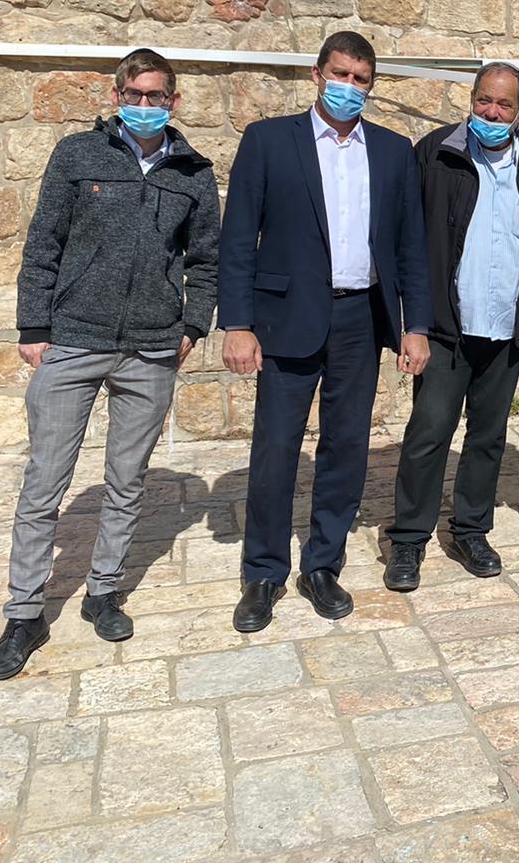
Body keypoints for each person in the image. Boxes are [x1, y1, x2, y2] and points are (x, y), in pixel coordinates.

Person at [0, 49, 220, 682]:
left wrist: (193, 325)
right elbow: (43, 242)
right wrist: (34, 326)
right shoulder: (76, 155)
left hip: (151, 349)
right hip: (74, 340)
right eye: (134, 94)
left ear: (173, 102)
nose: (145, 105)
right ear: (116, 96)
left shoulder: (194, 172)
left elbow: (206, 260)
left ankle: (104, 590)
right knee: (44, 483)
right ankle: (24, 613)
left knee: (127, 480)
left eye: (156, 96)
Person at [219, 31, 432, 633]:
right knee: (276, 447)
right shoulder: (269, 141)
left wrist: (415, 324)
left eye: (360, 79)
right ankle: (263, 572)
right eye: (340, 74)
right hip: (287, 317)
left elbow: (411, 247)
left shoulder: (392, 151)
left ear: (372, 85)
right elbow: (239, 238)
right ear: (317, 75)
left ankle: (322, 564)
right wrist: (237, 323)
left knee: (347, 445)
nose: (349, 87)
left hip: (360, 318)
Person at [383, 62, 519, 592]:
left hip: (506, 326)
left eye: (504, 104)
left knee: (488, 436)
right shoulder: (436, 154)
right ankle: (409, 539)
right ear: (471, 99)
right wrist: (413, 320)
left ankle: (471, 530)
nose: (492, 112)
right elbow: (408, 238)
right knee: (429, 432)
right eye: (484, 100)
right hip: (446, 326)